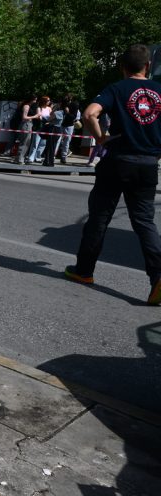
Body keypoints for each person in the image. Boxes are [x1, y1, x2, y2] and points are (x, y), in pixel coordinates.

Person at [65, 44, 161, 305]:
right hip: (147, 163)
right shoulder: (160, 91)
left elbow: (89, 113)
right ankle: (158, 275)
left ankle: (84, 272)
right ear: (148, 66)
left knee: (100, 216)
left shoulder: (116, 89)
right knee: (144, 221)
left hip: (118, 160)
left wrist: (102, 139)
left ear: (122, 68)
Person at [12, 94, 39, 164]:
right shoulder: (26, 106)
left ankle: (18, 159)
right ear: (31, 99)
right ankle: (20, 159)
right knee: (25, 143)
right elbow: (24, 117)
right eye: (35, 100)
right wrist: (34, 116)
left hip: (28, 124)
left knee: (24, 142)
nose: (35, 101)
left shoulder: (28, 106)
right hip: (26, 124)